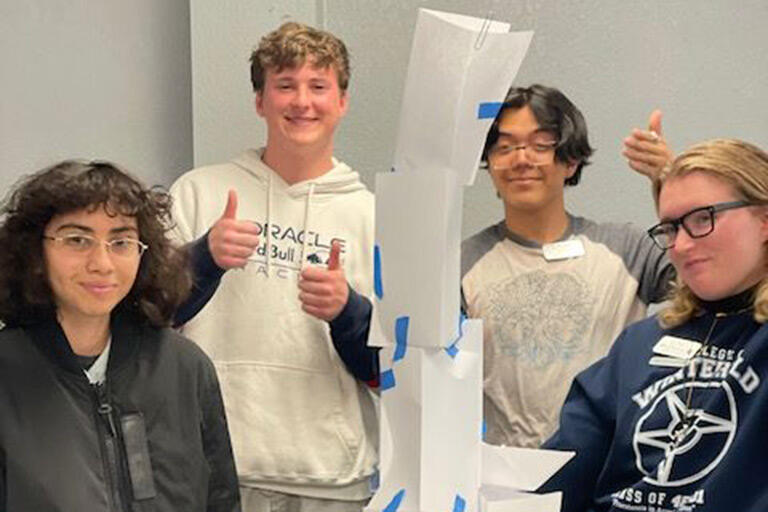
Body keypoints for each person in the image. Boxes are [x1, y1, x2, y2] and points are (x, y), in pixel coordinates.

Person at [169, 22, 377, 512]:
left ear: (342, 101)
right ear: (260, 101)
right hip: (211, 472)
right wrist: (203, 259)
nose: (301, 102)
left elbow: (397, 369)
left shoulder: (374, 215)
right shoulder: (199, 193)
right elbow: (144, 319)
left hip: (331, 479)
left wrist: (347, 312)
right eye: (284, 85)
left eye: (318, 86)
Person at [541, 138, 768, 512]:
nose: (679, 245)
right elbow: (560, 472)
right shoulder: (640, 345)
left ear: (764, 222)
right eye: (670, 228)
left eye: (702, 218)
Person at [0, 160, 240, 511]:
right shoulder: (7, 372)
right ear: (35, 251)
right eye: (77, 239)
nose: (102, 263)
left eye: (121, 241)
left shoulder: (186, 367)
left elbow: (221, 501)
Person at [461, 84, 675, 448]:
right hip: (506, 480)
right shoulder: (463, 263)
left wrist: (672, 182)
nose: (521, 159)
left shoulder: (628, 248)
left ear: (570, 160)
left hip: (608, 473)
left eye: (540, 144)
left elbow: (716, 280)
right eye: (504, 146)